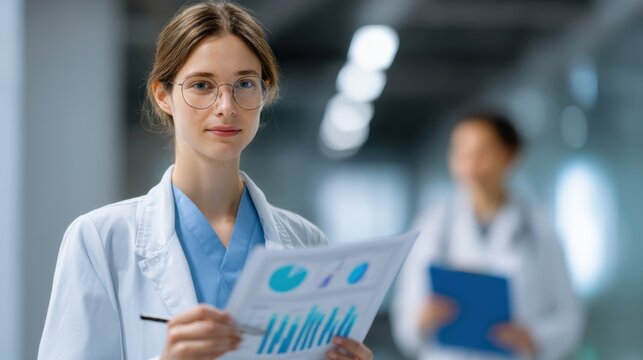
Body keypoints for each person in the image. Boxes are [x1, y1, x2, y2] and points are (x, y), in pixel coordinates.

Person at [38, 2, 373, 359]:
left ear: (264, 92)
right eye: (202, 85)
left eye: (244, 83)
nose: (226, 105)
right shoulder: (99, 240)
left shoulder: (309, 244)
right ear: (163, 95)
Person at [391, 112, 583, 360]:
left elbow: (568, 316)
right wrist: (422, 319)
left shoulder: (539, 228)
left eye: (483, 152)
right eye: (461, 153)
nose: (470, 164)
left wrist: (534, 337)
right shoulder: (432, 224)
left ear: (511, 155)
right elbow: (405, 317)